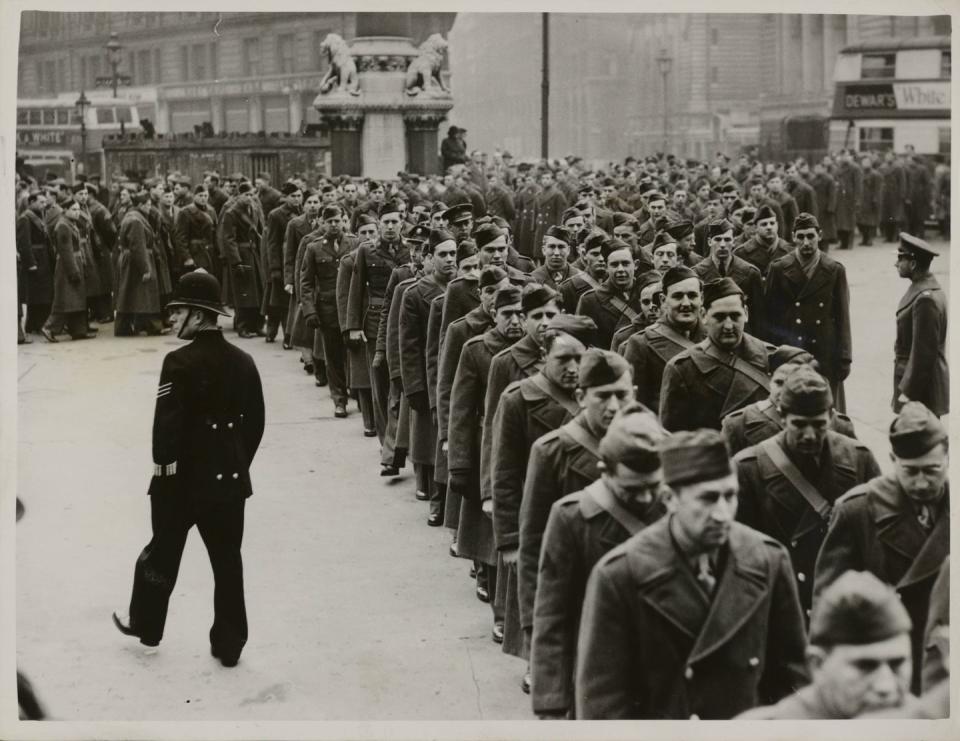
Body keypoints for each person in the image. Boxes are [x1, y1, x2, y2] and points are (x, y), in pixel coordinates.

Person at [575, 429, 808, 719]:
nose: (723, 513)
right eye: (708, 499)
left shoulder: (767, 559)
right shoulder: (621, 575)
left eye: (730, 496)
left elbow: (794, 679)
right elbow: (603, 703)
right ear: (670, 498)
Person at [112, 270, 265, 668]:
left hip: (180, 485)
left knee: (161, 554)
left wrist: (163, 476)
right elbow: (256, 424)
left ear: (199, 315)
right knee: (228, 562)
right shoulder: (244, 362)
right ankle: (230, 644)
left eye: (178, 312)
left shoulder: (177, 361)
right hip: (229, 484)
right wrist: (235, 463)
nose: (172, 320)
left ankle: (146, 625)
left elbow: (166, 430)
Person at [531, 404, 667, 719]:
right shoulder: (572, 518)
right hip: (600, 675)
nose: (647, 498)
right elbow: (553, 614)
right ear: (604, 472)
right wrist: (551, 701)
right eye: (633, 489)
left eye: (654, 486)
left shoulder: (679, 507)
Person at [518, 348, 635, 694]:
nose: (613, 406)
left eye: (622, 395)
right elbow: (534, 549)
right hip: (579, 605)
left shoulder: (657, 444)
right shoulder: (552, 451)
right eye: (603, 397)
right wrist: (536, 635)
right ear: (582, 397)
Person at [814, 402, 949, 695]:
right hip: (888, 663)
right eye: (910, 471)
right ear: (892, 460)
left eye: (932, 470)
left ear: (947, 460)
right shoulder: (858, 511)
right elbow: (832, 602)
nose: (922, 482)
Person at [491, 314, 595, 690]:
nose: (572, 368)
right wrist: (508, 538)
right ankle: (537, 661)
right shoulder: (519, 399)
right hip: (536, 517)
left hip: (588, 515)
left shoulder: (602, 398)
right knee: (538, 594)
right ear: (543, 357)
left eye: (579, 359)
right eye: (562, 359)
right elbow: (504, 473)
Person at [734, 365, 880, 618]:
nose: (810, 435)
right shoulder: (749, 468)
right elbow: (741, 550)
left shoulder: (858, 459)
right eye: (799, 424)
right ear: (781, 417)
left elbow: (877, 535)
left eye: (819, 424)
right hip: (780, 599)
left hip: (841, 599)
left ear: (832, 417)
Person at [448, 284, 525, 644]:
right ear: (494, 313)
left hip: (525, 448)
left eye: (522, 314)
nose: (516, 321)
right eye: (509, 313)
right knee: (491, 533)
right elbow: (461, 408)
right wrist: (460, 462)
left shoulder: (538, 352)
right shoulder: (476, 350)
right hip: (486, 446)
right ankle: (497, 607)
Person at [738, 571, 917, 719]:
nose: (885, 686)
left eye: (897, 664)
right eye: (865, 666)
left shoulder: (924, 722)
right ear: (817, 664)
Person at [659, 277, 777, 431]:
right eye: (719, 317)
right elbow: (675, 441)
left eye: (735, 316)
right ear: (703, 315)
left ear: (746, 314)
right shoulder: (682, 369)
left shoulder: (773, 358)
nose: (728, 326)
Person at [400, 229, 458, 526]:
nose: (449, 260)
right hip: (429, 375)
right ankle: (437, 501)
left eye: (453, 254)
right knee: (435, 446)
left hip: (458, 376)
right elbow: (409, 347)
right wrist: (414, 386)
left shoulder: (463, 289)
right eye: (443, 254)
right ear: (430, 258)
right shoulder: (415, 294)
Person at [764, 213, 852, 409]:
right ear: (793, 237)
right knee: (791, 406)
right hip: (791, 350)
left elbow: (843, 317)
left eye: (811, 236)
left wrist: (845, 357)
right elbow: (769, 318)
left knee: (826, 409)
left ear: (820, 236)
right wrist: (770, 353)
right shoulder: (779, 268)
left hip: (824, 351)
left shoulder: (835, 269)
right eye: (801, 236)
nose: (806, 242)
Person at [346, 200, 407, 441]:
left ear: (402, 223)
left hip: (405, 320)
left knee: (403, 380)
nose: (390, 226)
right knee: (379, 383)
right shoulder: (366, 250)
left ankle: (402, 437)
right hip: (375, 322)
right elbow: (356, 289)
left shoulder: (411, 249)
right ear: (379, 224)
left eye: (395, 221)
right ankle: (386, 440)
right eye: (386, 222)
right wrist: (353, 326)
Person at [722, 348, 857, 455]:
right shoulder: (739, 424)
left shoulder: (838, 424)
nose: (785, 390)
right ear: (769, 380)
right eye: (780, 382)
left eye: (794, 382)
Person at [622, 266, 706, 413]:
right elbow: (635, 406)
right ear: (663, 299)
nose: (686, 303)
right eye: (678, 296)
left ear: (702, 298)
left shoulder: (714, 337)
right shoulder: (641, 344)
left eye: (692, 295)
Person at [300, 204, 357, 418]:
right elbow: (305, 281)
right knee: (332, 356)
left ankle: (357, 391)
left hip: (350, 309)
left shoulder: (354, 243)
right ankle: (339, 399)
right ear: (323, 222)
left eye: (337, 220)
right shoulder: (314, 248)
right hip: (327, 310)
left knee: (353, 351)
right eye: (329, 221)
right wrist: (309, 311)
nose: (334, 225)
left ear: (344, 220)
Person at [893, 233, 948, 417]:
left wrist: (908, 392)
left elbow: (923, 354)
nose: (896, 264)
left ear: (913, 264)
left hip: (921, 390)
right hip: (917, 384)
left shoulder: (925, 300)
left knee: (919, 441)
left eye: (900, 258)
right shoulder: (924, 291)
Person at [692, 219, 764, 337]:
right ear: (710, 242)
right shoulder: (697, 274)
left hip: (740, 337)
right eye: (718, 239)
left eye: (727, 239)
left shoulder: (750, 273)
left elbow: (759, 319)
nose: (722, 245)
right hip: (708, 338)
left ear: (734, 242)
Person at [576, 236, 646, 349]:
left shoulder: (645, 293)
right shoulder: (590, 300)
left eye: (625, 263)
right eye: (614, 265)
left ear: (636, 265)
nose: (620, 270)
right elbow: (582, 343)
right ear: (606, 267)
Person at [40, 198, 94, 342]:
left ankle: (79, 331)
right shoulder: (63, 226)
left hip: (73, 264)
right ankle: (49, 327)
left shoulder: (69, 223)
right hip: (67, 268)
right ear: (65, 210)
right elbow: (66, 252)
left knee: (76, 299)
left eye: (78, 209)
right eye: (74, 210)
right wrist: (73, 272)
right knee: (65, 300)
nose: (77, 213)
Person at [114, 192, 166, 337]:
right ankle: (151, 326)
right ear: (141, 205)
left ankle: (127, 327)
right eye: (148, 205)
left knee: (131, 295)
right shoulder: (136, 220)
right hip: (136, 261)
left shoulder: (133, 217)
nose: (150, 208)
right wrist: (145, 268)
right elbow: (138, 245)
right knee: (143, 295)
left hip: (131, 260)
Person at [221, 182, 265, 338]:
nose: (249, 197)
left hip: (254, 253)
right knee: (244, 292)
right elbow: (228, 239)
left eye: (252, 194)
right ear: (238, 196)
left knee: (259, 290)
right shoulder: (231, 213)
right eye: (246, 195)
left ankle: (258, 325)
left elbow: (261, 231)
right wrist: (236, 261)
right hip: (242, 254)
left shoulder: (255, 209)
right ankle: (243, 326)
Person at [261, 182, 302, 343]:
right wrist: (275, 268)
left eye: (299, 196)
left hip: (295, 261)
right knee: (277, 300)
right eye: (293, 196)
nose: (297, 199)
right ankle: (275, 333)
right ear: (285, 197)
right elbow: (272, 244)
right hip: (281, 261)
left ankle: (287, 334)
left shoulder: (302, 212)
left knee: (285, 301)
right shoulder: (276, 215)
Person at [17, 191, 55, 334]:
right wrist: (30, 262)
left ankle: (35, 324)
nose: (44, 205)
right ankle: (36, 324)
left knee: (42, 293)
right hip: (36, 260)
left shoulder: (38, 217)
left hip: (43, 259)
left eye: (45, 202)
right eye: (41, 202)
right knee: (37, 294)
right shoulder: (25, 218)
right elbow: (24, 243)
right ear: (31, 202)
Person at [732, 204, 791, 279]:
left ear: (777, 225)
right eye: (764, 224)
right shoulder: (740, 253)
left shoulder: (790, 251)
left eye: (772, 223)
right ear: (756, 228)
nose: (769, 227)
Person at [531, 226, 580, 290]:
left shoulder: (580, 278)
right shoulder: (532, 279)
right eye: (552, 247)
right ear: (544, 250)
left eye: (561, 247)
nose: (556, 253)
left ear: (568, 250)